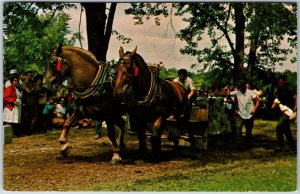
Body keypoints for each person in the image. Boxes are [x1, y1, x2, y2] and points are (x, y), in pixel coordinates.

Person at [228, 82, 260, 149]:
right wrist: (227, 90)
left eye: (242, 88)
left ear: (245, 87)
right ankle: (239, 144)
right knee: (238, 127)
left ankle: (247, 144)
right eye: (240, 88)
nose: (241, 90)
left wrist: (254, 109)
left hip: (250, 114)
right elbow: (227, 94)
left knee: (248, 129)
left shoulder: (251, 92)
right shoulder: (237, 92)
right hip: (241, 114)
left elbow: (257, 101)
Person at [271, 74, 296, 152]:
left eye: (281, 82)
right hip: (282, 110)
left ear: (285, 81)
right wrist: (274, 104)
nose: (279, 83)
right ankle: (292, 146)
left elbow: (296, 97)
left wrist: (295, 108)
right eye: (279, 82)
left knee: (279, 127)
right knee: (286, 129)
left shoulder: (289, 89)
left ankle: (280, 146)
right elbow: (277, 98)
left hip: (289, 111)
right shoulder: (279, 89)